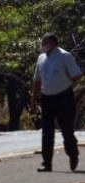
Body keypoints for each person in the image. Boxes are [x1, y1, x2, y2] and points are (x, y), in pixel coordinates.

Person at [30, 33, 82, 172]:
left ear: (52, 43)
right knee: (47, 132)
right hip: (47, 98)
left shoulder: (65, 56)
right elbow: (36, 81)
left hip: (63, 97)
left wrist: (64, 84)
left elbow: (77, 75)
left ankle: (73, 154)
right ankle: (46, 163)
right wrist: (34, 101)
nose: (42, 45)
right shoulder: (41, 58)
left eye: (44, 42)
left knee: (66, 130)